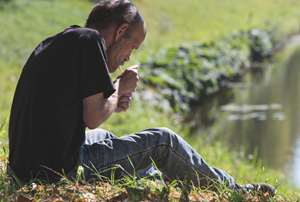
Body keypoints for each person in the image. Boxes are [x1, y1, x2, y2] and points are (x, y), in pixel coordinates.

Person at [8, 0, 275, 195]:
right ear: (121, 31)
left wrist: (112, 94)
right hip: (56, 171)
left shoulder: (59, 40)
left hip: (26, 164)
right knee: (164, 141)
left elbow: (66, 110)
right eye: (133, 46)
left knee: (108, 139)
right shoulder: (91, 41)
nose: (128, 57)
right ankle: (235, 190)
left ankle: (171, 178)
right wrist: (120, 89)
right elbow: (92, 117)